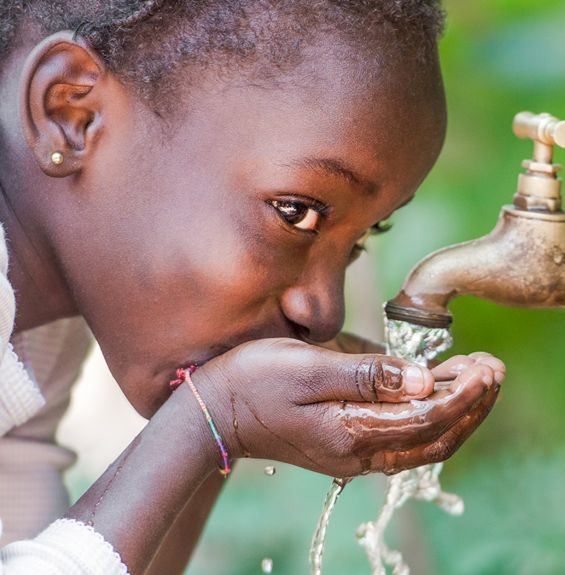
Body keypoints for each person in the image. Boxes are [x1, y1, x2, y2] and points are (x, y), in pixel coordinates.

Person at [0, 1, 505, 573]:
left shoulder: (36, 332)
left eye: (362, 239)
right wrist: (209, 419)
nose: (323, 313)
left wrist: (220, 422)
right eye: (297, 213)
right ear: (71, 112)